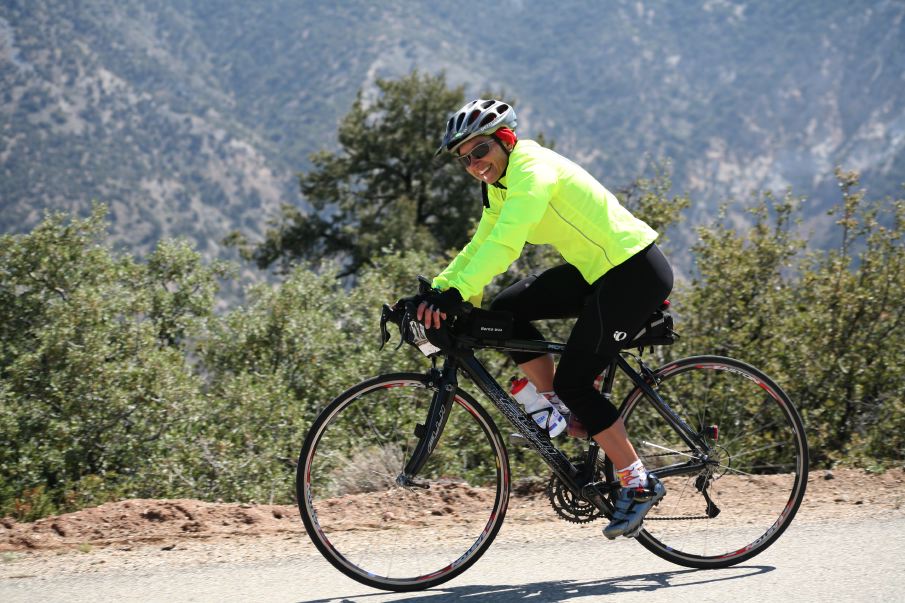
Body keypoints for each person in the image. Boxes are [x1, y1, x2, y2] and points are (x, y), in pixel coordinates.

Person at [415, 98, 674, 539]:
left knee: (577, 378)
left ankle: (638, 480)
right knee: (505, 312)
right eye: (465, 160)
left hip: (633, 270)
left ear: (506, 140)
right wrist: (439, 291)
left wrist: (456, 293)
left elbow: (507, 245)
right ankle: (558, 405)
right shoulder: (497, 184)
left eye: (480, 152)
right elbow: (482, 244)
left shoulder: (532, 171)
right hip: (597, 270)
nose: (475, 164)